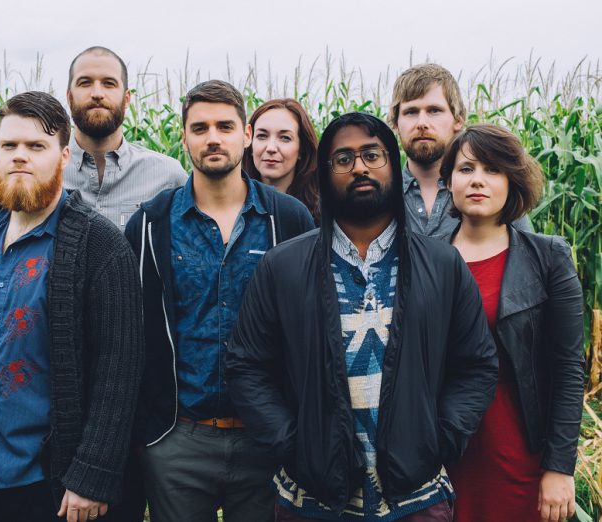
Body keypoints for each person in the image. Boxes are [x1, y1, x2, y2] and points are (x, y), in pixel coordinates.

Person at [226, 112, 498, 521]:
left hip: (417, 500)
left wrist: (438, 439)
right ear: (324, 174)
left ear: (392, 163)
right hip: (312, 501)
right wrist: (293, 444)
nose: (359, 167)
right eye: (343, 159)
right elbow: (247, 366)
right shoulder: (282, 266)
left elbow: (476, 365)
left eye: (373, 155)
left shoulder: (442, 265)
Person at [0, 91, 142, 522]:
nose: (20, 156)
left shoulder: (99, 247)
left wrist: (91, 475)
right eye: (9, 146)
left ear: (63, 154)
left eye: (36, 146)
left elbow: (120, 371)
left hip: (58, 487)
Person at [124, 79, 315, 522]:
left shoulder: (287, 219)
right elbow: (132, 332)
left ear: (245, 135)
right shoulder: (151, 224)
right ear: (184, 136)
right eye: (200, 127)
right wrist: (149, 433)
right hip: (178, 440)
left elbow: (311, 325)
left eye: (225, 126)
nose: (213, 138)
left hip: (266, 438)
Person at [439, 124, 584, 522]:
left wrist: (559, 467)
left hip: (522, 450)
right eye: (466, 169)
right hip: (443, 454)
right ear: (449, 180)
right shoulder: (426, 260)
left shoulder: (548, 258)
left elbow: (570, 368)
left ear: (512, 180)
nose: (478, 180)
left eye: (493, 169)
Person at [389, 63, 531, 237]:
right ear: (396, 123)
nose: (422, 123)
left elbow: (526, 258)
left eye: (434, 110)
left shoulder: (491, 193)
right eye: (411, 112)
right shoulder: (380, 194)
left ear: (458, 119)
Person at [64, 46, 187, 229]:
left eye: (109, 83)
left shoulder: (169, 176)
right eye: (85, 83)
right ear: (69, 97)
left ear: (127, 98)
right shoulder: (43, 174)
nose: (97, 93)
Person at [243, 98, 320, 221]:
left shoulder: (323, 214)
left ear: (302, 149)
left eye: (285, 138)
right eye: (262, 136)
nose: (271, 148)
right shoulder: (233, 211)